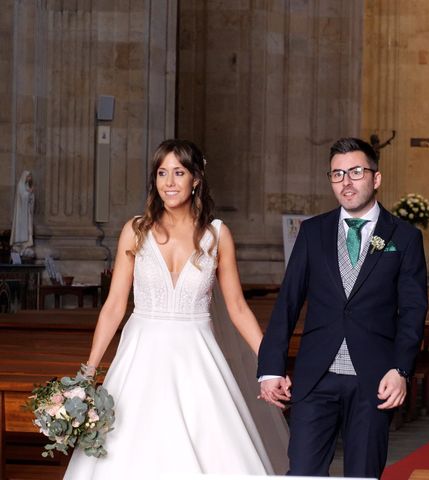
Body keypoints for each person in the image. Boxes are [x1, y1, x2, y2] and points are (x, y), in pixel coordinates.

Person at [64, 139, 288, 479]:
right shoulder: (135, 231)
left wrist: (271, 366)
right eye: (162, 173)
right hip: (140, 354)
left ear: (196, 178)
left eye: (178, 172)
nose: (169, 182)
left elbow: (238, 309)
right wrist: (88, 371)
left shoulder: (217, 235)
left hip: (196, 356)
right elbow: (113, 306)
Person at [257, 137, 428, 478]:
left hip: (374, 378)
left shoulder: (404, 237)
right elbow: (288, 302)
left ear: (375, 178)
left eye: (355, 172)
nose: (346, 182)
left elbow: (413, 310)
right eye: (337, 174)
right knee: (303, 471)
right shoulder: (312, 232)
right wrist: (270, 368)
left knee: (362, 473)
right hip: (315, 377)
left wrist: (401, 370)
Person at [10, 170, 34, 256]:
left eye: (30, 176)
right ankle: (19, 243)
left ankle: (26, 243)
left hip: (26, 212)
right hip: (21, 213)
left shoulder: (26, 185)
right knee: (21, 228)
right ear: (25, 177)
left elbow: (29, 198)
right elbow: (23, 196)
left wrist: (30, 195)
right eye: (28, 176)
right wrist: (29, 193)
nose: (30, 178)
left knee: (28, 227)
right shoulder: (20, 185)